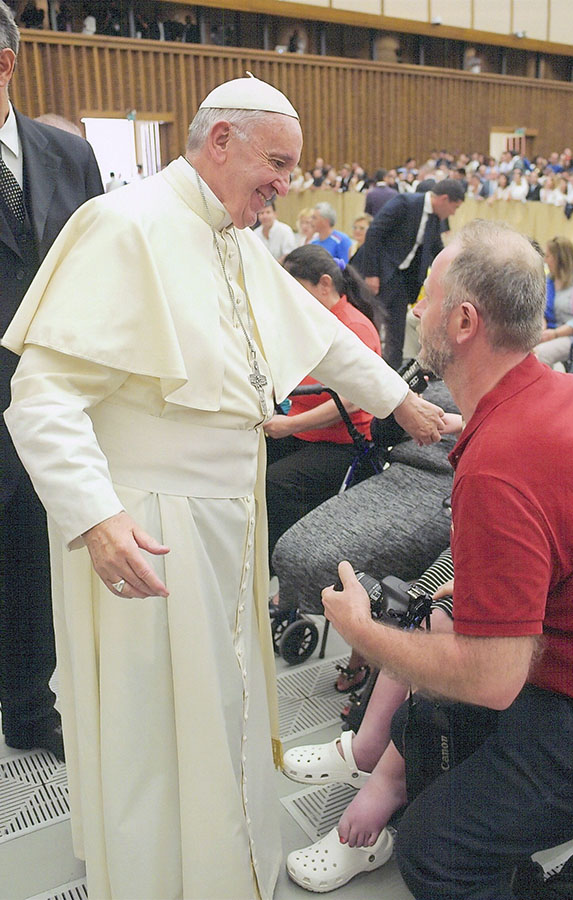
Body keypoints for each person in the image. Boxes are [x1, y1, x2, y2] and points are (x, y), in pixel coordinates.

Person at [2, 74, 446, 900]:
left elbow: (318, 338)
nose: (284, 185)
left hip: (225, 519)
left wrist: (403, 403)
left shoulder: (232, 237)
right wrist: (96, 517)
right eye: (275, 164)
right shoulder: (123, 225)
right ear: (220, 141)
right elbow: (42, 395)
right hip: (148, 525)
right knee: (152, 722)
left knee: (218, 707)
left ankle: (215, 864)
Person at [285, 220, 573, 899]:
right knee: (423, 721)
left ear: (464, 321)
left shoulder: (502, 464)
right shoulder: (551, 393)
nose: (415, 310)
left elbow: (493, 678)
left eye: (427, 298)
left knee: (436, 852)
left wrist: (362, 632)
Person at [0, 1, 103, 763]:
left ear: (4, 63)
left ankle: (31, 710)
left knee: (33, 566)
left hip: (54, 403)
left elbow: (100, 275)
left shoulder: (69, 157)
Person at [265, 245, 385, 560]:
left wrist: (290, 424)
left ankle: (285, 562)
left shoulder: (354, 327)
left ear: (325, 284)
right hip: (304, 430)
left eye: (296, 288)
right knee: (249, 461)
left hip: (342, 442)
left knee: (276, 483)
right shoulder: (312, 320)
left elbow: (352, 401)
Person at [360, 178, 465, 368]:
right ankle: (365, 367)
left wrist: (457, 270)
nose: (453, 213)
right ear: (444, 199)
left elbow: (436, 250)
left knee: (397, 332)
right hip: (381, 273)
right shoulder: (405, 203)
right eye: (454, 207)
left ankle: (393, 372)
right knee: (372, 323)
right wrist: (371, 274)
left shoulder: (435, 219)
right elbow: (374, 233)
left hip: (403, 280)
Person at [534, 235, 573, 368]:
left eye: (548, 256)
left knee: (541, 354)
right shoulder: (549, 279)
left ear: (559, 259)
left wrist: (555, 334)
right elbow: (541, 308)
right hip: (549, 331)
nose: (545, 260)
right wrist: (541, 325)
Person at [310, 201, 351, 265]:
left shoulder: (341, 240)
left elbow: (347, 266)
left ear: (325, 221)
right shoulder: (313, 241)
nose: (310, 221)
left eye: (314, 218)